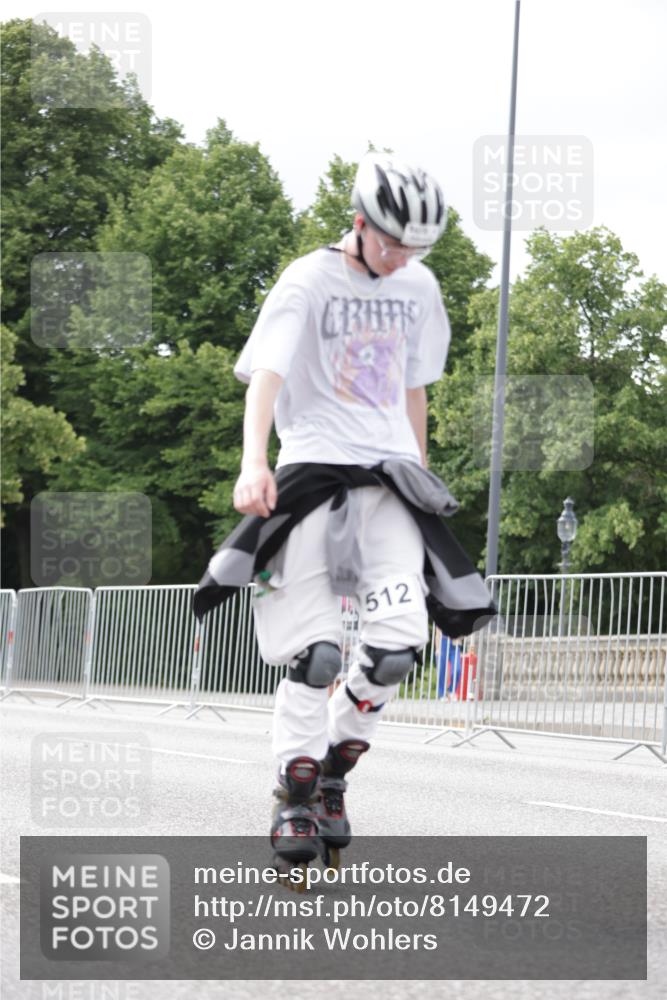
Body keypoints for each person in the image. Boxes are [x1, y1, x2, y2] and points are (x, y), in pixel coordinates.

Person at [193, 153, 495, 880]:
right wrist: (252, 461)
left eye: (415, 248)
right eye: (391, 243)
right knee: (316, 653)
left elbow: (414, 384)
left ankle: (329, 773)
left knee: (395, 648)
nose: (401, 259)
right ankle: (293, 792)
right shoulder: (308, 279)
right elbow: (265, 372)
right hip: (311, 470)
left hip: (388, 481)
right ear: (358, 223)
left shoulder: (418, 284)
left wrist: (418, 465)